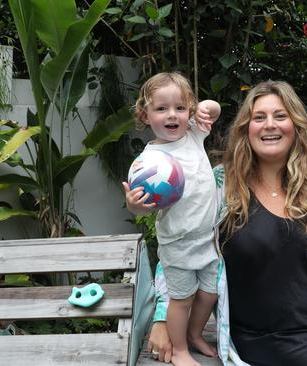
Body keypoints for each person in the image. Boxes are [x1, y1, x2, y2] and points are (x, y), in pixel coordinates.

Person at [146, 80, 307, 366]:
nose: (269, 125)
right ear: (246, 128)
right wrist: (163, 316)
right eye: (259, 117)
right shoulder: (220, 184)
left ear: (296, 125)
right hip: (258, 345)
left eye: (280, 116)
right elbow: (181, 243)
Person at [123, 72, 222, 366]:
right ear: (145, 114)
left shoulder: (194, 133)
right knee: (181, 299)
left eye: (180, 108)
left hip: (208, 237)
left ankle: (194, 335)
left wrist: (208, 108)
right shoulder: (148, 161)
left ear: (189, 110)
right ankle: (180, 350)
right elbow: (144, 208)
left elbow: (214, 109)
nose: (172, 115)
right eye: (161, 108)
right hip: (178, 242)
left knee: (210, 291)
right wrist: (134, 206)